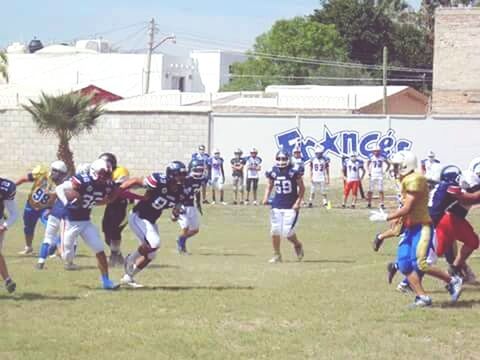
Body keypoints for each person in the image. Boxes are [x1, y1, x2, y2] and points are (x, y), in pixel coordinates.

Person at [369, 150, 462, 307]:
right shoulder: (406, 179)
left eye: (397, 166)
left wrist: (387, 216)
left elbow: (408, 207)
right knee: (404, 264)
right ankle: (422, 297)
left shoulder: (415, 179)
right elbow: (405, 208)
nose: (394, 169)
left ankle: (452, 280)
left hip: (422, 227)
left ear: (406, 165)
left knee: (421, 263)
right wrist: (397, 220)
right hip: (410, 228)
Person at [120, 161, 187, 287]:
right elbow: (136, 181)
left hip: (151, 220)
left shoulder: (181, 191)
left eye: (183, 175)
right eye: (179, 175)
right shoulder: (159, 181)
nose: (182, 178)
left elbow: (176, 207)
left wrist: (176, 214)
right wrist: (119, 190)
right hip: (138, 216)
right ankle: (130, 259)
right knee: (154, 243)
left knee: (151, 254)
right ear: (172, 175)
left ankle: (128, 277)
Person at [56, 158, 119, 289]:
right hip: (70, 221)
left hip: (85, 221)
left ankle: (106, 281)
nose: (105, 177)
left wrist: (107, 199)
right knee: (67, 257)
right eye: (103, 173)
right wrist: (67, 203)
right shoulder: (82, 180)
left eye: (107, 174)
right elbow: (59, 189)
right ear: (94, 172)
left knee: (99, 249)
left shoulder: (108, 185)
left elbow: (112, 195)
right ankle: (58, 245)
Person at [16, 161, 68, 255]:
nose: (57, 175)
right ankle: (28, 247)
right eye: (55, 171)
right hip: (31, 205)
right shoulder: (42, 174)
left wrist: (52, 210)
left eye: (59, 173)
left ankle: (59, 248)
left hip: (46, 209)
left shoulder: (62, 185)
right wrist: (13, 186)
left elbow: (61, 201)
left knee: (51, 227)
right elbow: (25, 178)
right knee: (28, 227)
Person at [263, 149, 305, 263]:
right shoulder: (273, 171)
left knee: (287, 233)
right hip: (277, 204)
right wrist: (266, 197)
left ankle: (297, 244)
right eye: (279, 159)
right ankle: (277, 255)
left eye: (283, 159)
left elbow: (302, 188)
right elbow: (269, 185)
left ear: (288, 159)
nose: (281, 161)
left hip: (291, 206)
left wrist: (298, 202)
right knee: (275, 230)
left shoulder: (294, 171)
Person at [99, 153, 130, 266]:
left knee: (115, 230)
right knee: (106, 230)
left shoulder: (121, 171)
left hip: (123, 205)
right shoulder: (104, 172)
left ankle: (114, 256)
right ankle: (118, 255)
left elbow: (116, 188)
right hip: (111, 204)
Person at [176, 160, 205, 254]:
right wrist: (176, 206)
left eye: (201, 170)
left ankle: (180, 239)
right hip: (182, 206)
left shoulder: (200, 180)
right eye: (197, 170)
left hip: (191, 206)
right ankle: (182, 248)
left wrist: (199, 204)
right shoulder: (185, 179)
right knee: (185, 227)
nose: (199, 172)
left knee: (195, 230)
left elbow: (197, 191)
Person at [0, 177, 18, 293]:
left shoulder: (5, 187)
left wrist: (4, 226)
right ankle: (7, 280)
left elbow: (14, 213)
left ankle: (7, 280)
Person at [366, 145, 390, 209]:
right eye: (375, 151)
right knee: (370, 190)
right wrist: (369, 171)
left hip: (380, 174)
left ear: (379, 151)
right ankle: (369, 203)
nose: (376, 152)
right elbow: (367, 164)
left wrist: (385, 171)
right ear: (373, 151)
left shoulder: (382, 157)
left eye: (377, 151)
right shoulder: (371, 156)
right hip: (373, 174)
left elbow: (388, 164)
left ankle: (382, 204)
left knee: (380, 190)